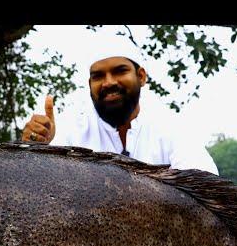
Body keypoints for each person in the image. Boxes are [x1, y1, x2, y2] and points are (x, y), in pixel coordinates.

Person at [21, 49, 219, 175]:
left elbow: (208, 191)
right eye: (98, 76)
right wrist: (37, 150)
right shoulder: (69, 132)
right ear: (90, 84)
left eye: (120, 71)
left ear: (141, 76)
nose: (108, 83)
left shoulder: (171, 128)